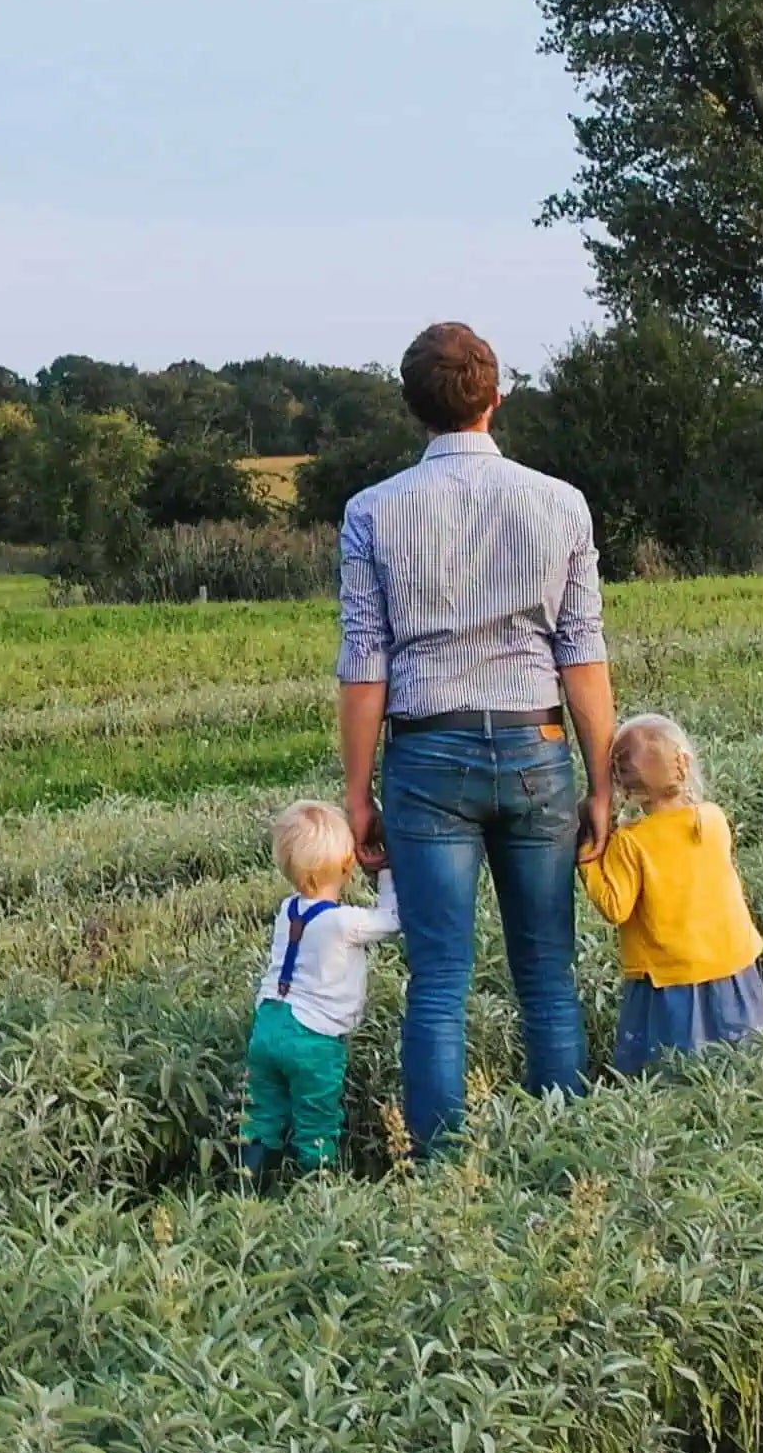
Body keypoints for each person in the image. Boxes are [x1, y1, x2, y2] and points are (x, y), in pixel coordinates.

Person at [336, 320, 613, 1160]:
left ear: (413, 409)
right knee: (546, 977)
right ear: (495, 397)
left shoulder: (370, 511)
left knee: (439, 983)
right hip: (536, 747)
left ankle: (440, 1174)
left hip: (425, 756)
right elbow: (583, 653)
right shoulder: (560, 502)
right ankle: (564, 1165)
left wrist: (357, 794)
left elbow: (363, 662)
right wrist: (599, 784)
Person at [580, 712, 763, 1068]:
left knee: (673, 1074)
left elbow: (615, 907)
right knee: (740, 1065)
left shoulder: (631, 843)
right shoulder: (712, 818)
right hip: (732, 965)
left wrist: (587, 861)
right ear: (683, 762)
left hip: (668, 979)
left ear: (624, 787)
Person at [239, 797, 398, 1186]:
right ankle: (319, 1189)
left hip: (269, 1022)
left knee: (263, 1113)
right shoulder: (344, 923)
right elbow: (393, 920)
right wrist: (388, 871)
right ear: (347, 865)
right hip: (313, 1037)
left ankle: (249, 1183)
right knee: (317, 1119)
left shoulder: (287, 910)